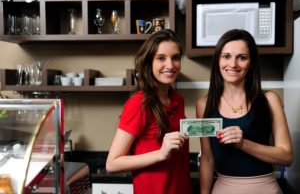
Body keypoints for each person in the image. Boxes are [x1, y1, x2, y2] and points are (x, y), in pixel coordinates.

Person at [196, 29, 293, 194]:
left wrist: (243, 144)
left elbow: (286, 156)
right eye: (226, 56)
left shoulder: (270, 100)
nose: (233, 64)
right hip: (223, 189)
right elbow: (207, 158)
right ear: (218, 60)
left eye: (242, 57)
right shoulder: (204, 104)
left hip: (265, 189)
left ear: (251, 62)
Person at [106, 29, 193, 194]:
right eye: (161, 58)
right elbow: (112, 164)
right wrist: (161, 153)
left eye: (175, 58)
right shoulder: (138, 103)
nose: (170, 65)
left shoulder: (177, 99)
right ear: (149, 62)